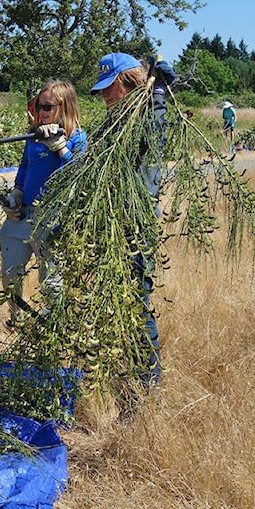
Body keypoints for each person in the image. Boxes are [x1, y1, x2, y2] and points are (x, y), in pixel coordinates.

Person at [89, 52, 175, 387]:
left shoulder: (145, 120)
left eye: (110, 87)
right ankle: (127, 369)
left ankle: (147, 383)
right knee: (115, 300)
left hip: (135, 226)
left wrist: (158, 92)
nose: (105, 95)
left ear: (129, 82)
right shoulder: (114, 124)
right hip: (112, 221)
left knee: (137, 303)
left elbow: (154, 132)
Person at [0, 80, 87, 327]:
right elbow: (25, 167)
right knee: (9, 276)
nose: (42, 112)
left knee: (51, 281)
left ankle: (53, 330)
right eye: (39, 106)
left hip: (53, 217)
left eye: (48, 106)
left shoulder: (78, 137)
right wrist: (15, 194)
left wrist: (61, 148)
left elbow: (81, 173)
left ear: (64, 106)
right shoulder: (33, 137)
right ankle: (17, 323)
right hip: (23, 215)